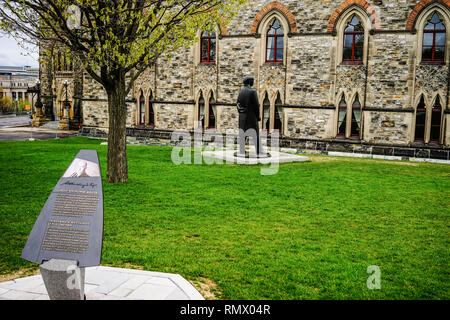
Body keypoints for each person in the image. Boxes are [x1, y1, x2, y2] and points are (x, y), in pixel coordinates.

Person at [237, 75, 261, 156]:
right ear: (250, 82)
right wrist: (258, 116)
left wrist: (241, 111)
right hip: (251, 117)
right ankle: (259, 151)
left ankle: (242, 151)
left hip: (242, 117)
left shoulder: (241, 92)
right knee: (256, 134)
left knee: (242, 134)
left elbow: (237, 104)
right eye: (252, 80)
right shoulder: (252, 92)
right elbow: (256, 106)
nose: (253, 82)